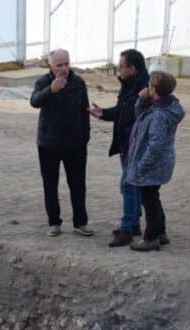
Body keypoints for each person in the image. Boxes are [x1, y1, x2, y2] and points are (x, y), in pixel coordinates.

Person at [30, 48, 94, 238]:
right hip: (49, 144)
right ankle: (54, 223)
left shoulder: (78, 82)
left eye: (66, 64)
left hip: (75, 144)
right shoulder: (43, 82)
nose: (64, 69)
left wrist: (84, 137)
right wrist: (51, 90)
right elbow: (34, 101)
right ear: (51, 66)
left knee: (78, 185)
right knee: (50, 185)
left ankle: (81, 222)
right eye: (59, 65)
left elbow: (85, 110)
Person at [89, 49, 149, 247]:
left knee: (128, 184)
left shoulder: (144, 91)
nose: (118, 70)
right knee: (132, 184)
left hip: (134, 144)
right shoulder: (130, 85)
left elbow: (133, 115)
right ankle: (134, 223)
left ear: (132, 69)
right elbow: (122, 111)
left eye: (121, 66)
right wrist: (102, 113)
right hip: (127, 142)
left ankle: (127, 228)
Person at [125, 71, 184, 252]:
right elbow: (139, 116)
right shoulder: (164, 107)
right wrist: (141, 100)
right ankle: (161, 232)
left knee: (149, 200)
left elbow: (155, 145)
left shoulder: (159, 114)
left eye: (149, 85)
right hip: (162, 163)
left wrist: (142, 166)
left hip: (154, 164)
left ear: (154, 88)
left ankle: (151, 237)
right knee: (153, 198)